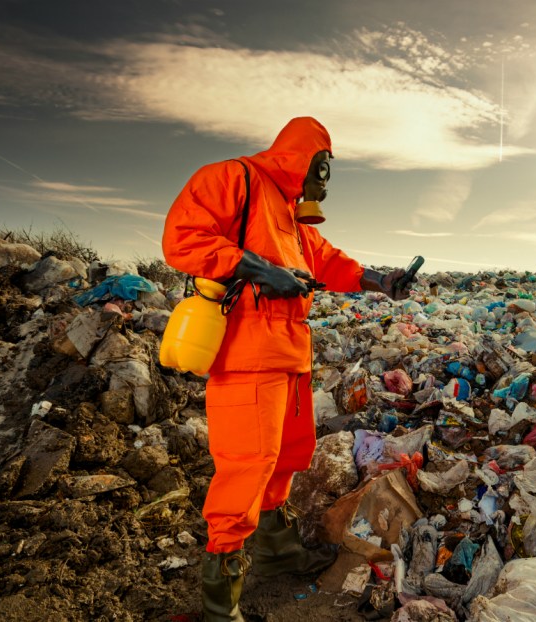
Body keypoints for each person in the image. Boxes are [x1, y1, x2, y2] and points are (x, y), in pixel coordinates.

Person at [162, 116, 412, 621]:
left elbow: (329, 261)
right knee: (247, 464)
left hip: (290, 357)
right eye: (325, 169)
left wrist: (381, 279)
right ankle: (220, 598)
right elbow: (181, 239)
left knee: (288, 456)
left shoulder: (291, 217)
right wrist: (258, 268)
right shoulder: (232, 179)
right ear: (306, 160)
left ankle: (277, 550)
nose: (326, 182)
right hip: (246, 357)